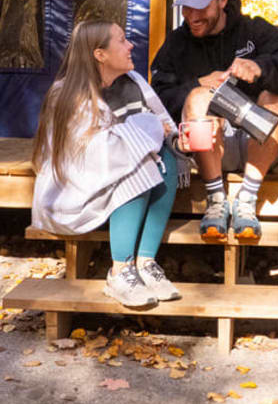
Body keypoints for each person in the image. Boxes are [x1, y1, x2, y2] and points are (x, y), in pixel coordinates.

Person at [31, 20, 182, 309]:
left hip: (104, 180)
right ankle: (120, 271)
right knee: (135, 165)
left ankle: (146, 262)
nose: (131, 45)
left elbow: (163, 125)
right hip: (73, 190)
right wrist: (148, 126)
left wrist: (174, 139)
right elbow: (97, 158)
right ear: (100, 54)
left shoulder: (135, 82)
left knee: (167, 160)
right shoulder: (69, 94)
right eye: (122, 40)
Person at [151, 0, 278, 241]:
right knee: (198, 96)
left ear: (222, 0)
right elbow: (156, 94)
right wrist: (197, 83)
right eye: (186, 8)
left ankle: (247, 199)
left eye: (200, 7)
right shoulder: (177, 42)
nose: (192, 16)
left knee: (276, 98)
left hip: (262, 145)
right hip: (203, 148)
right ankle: (216, 198)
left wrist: (259, 68)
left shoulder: (254, 29)